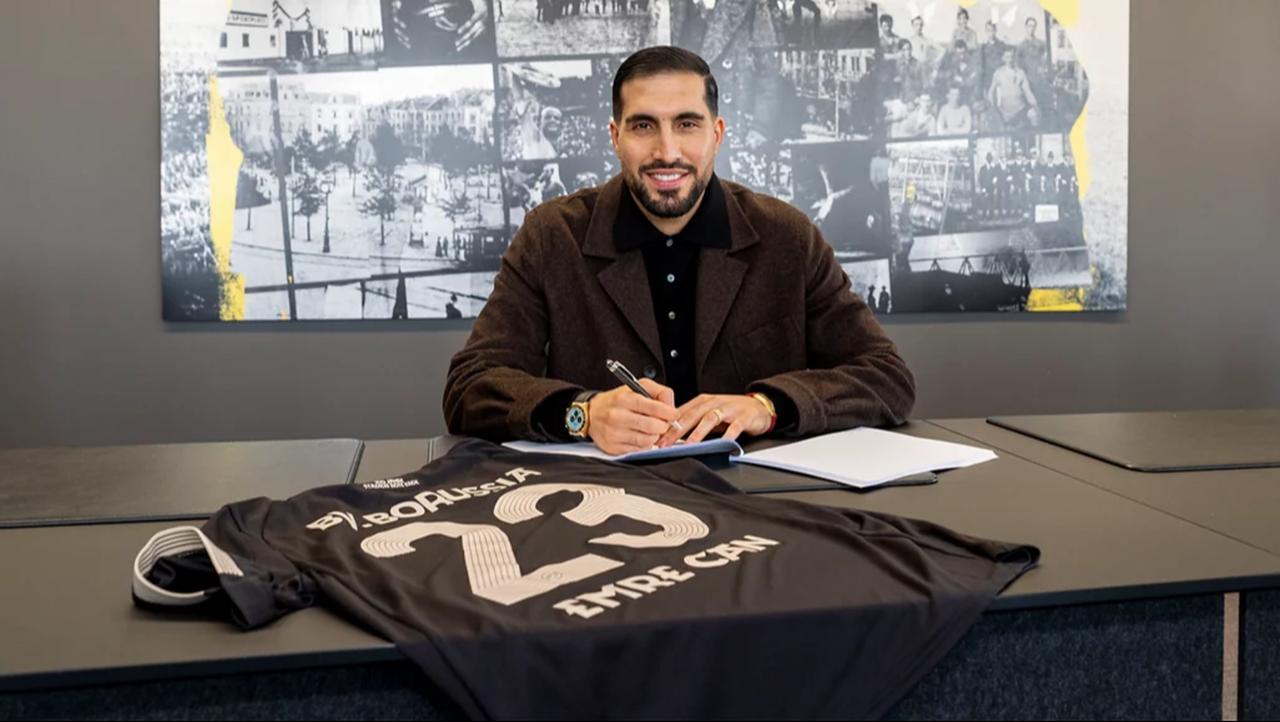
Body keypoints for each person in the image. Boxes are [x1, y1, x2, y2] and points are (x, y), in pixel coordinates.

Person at [445, 47, 914, 455]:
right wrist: (584, 413)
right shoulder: (551, 236)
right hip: (604, 504)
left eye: (687, 124)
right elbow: (470, 387)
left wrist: (766, 406)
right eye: (643, 126)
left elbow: (886, 377)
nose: (667, 151)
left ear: (717, 133)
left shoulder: (788, 236)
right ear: (615, 137)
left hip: (758, 501)